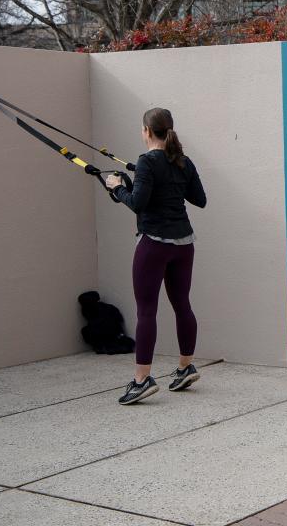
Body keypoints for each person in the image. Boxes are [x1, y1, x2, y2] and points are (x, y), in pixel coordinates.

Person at [106, 108, 207, 404]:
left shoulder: (147, 161)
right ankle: (185, 367)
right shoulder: (183, 161)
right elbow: (199, 199)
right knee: (182, 305)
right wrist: (167, 180)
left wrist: (117, 187)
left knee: (146, 311)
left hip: (153, 244)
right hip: (184, 244)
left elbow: (137, 203)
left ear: (147, 131)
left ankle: (141, 381)